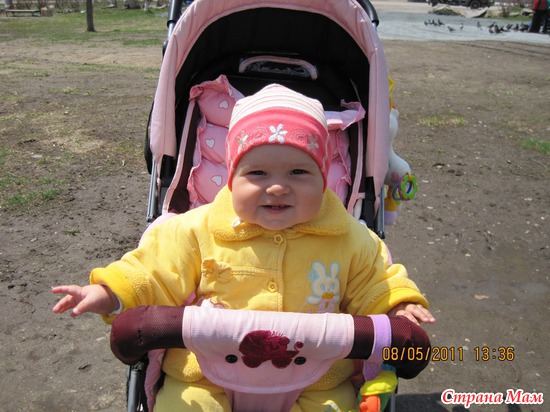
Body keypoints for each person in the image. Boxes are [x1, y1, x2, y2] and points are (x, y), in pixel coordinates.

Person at [52, 84, 435, 411]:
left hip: (316, 377)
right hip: (205, 373)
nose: (278, 187)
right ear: (232, 179)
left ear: (323, 178)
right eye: (257, 173)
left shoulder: (348, 237)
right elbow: (153, 271)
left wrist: (397, 306)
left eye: (299, 172)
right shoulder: (196, 229)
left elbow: (376, 280)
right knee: (185, 403)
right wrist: (110, 292)